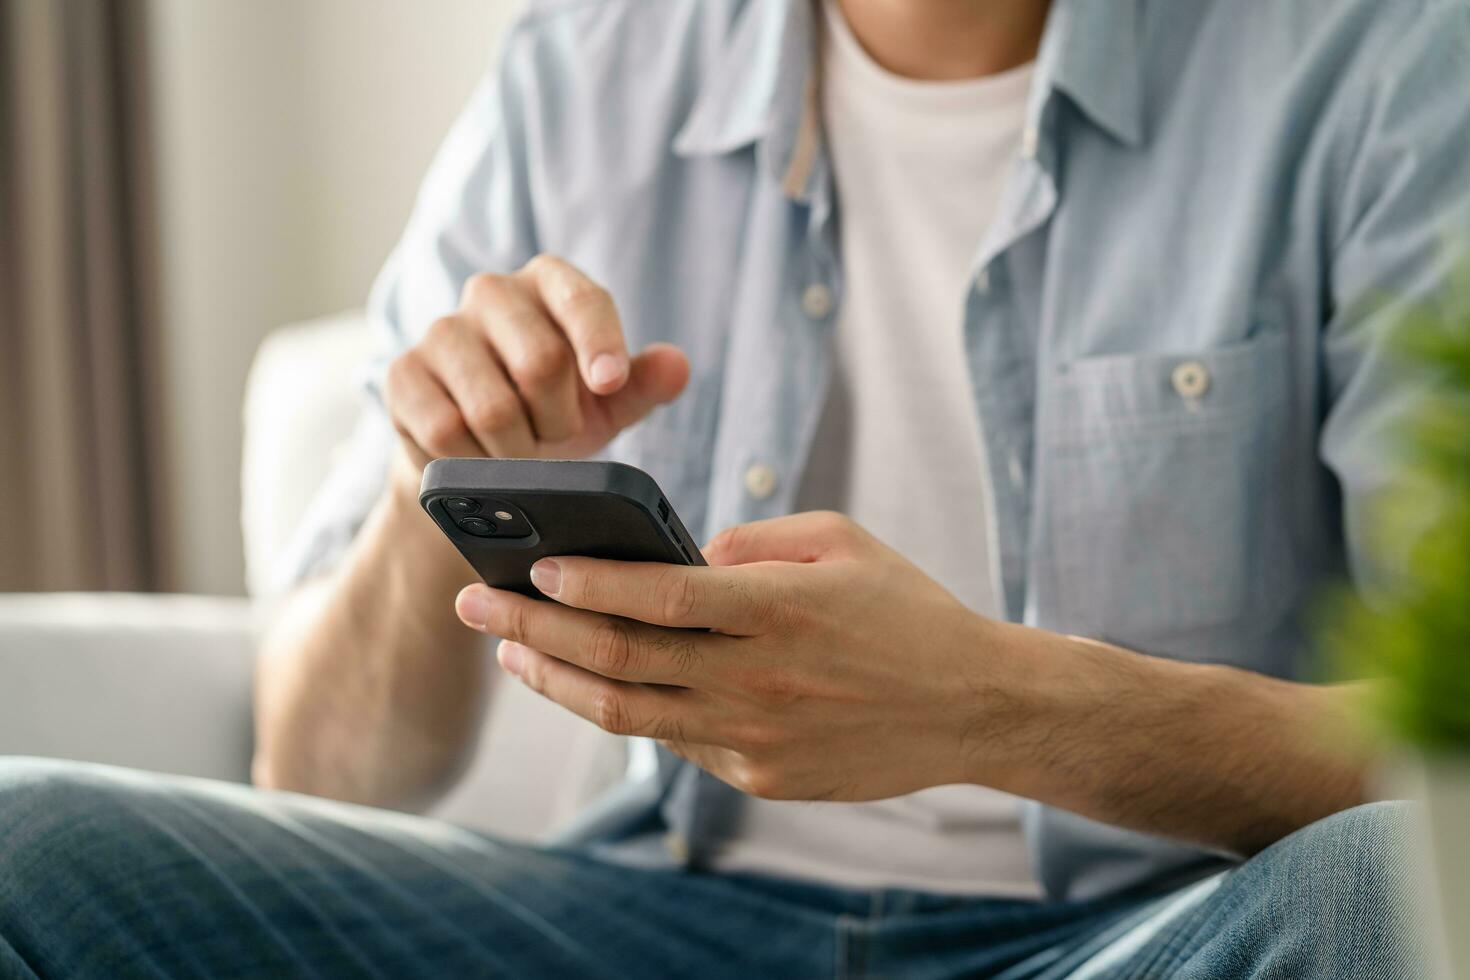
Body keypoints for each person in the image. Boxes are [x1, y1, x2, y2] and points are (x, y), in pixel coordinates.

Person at [2, 0, 1465, 975]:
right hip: (648, 920)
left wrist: (986, 708)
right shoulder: (591, 65)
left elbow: (1445, 769)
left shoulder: (1382, 64)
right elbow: (316, 772)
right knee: (29, 846)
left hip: (1143, 936)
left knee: (1388, 890)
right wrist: (426, 489)